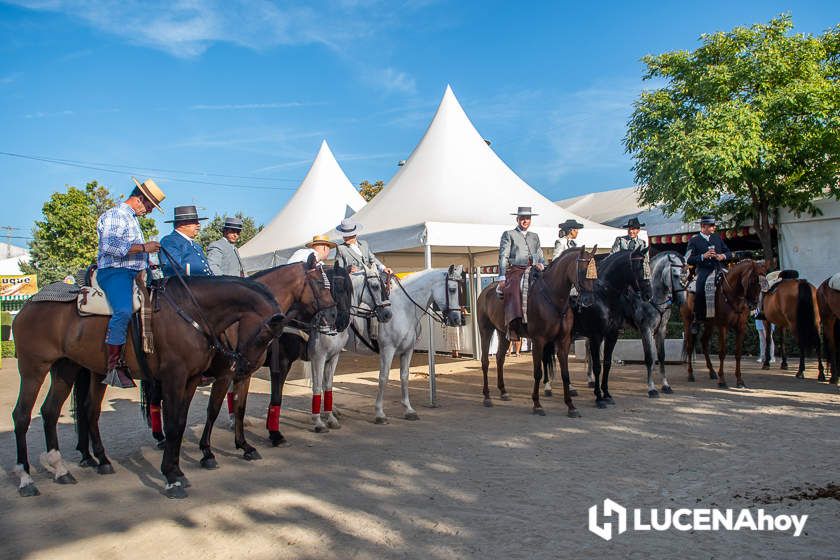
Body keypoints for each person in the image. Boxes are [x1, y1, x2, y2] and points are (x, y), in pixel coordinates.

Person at [96, 177, 166, 388]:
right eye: (150, 205)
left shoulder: (132, 219)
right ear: (139, 199)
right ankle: (114, 366)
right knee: (124, 311)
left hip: (136, 273)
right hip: (115, 272)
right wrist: (144, 248)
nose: (150, 211)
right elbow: (110, 246)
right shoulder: (116, 215)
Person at [498, 206, 546, 341]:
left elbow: (540, 254)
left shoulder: (534, 236)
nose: (525, 221)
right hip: (516, 270)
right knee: (513, 289)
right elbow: (503, 256)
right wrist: (502, 276)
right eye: (523, 218)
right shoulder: (509, 234)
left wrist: (542, 264)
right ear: (517, 219)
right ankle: (513, 325)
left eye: (528, 218)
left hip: (534, 269)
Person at [685, 215, 732, 334]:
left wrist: (722, 256)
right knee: (700, 288)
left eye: (713, 225)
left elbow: (728, 252)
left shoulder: (717, 238)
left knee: (734, 283)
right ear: (703, 226)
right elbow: (688, 259)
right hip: (704, 270)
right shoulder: (694, 240)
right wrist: (703, 256)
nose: (714, 227)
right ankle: (697, 317)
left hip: (719, 267)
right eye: (711, 226)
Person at [159, 205, 212, 277]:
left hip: (205, 286)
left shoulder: (196, 246)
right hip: (188, 287)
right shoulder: (170, 241)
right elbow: (173, 272)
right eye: (194, 222)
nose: (198, 225)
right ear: (182, 224)